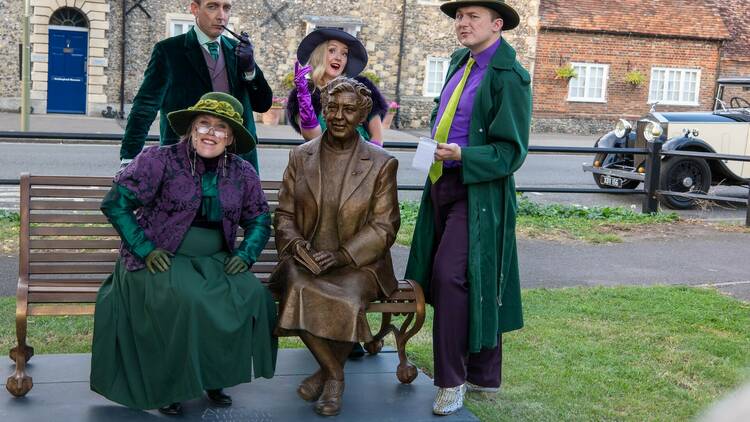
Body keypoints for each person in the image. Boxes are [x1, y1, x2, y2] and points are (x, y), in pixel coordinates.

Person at [91, 92, 278, 416]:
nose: (210, 132)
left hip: (214, 258)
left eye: (221, 127)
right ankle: (169, 386)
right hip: (160, 256)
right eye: (203, 123)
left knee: (252, 295)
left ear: (231, 137)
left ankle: (215, 376)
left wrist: (246, 254)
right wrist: (145, 249)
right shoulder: (159, 160)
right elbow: (115, 204)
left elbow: (259, 219)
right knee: (189, 300)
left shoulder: (241, 172)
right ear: (191, 129)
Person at [403, 0, 531, 416]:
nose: (462, 23)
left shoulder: (510, 76)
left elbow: (510, 153)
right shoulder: (461, 60)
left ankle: (451, 381)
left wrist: (463, 154)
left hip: (478, 193)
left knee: (450, 276)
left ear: (497, 25)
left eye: (472, 16)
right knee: (460, 277)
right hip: (440, 182)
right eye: (459, 16)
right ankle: (483, 373)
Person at [269, 77, 400, 416]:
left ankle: (324, 375)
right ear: (324, 110)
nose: (339, 116)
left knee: (349, 297)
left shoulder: (381, 163)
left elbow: (385, 226)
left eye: (349, 110)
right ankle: (336, 375)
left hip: (359, 263)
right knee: (296, 286)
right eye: (333, 108)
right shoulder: (301, 157)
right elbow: (284, 214)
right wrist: (297, 246)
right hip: (306, 257)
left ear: (362, 115)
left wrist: (342, 255)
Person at [119, 0, 272, 171]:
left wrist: (250, 70)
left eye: (226, 8)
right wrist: (129, 157)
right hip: (184, 163)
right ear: (195, 9)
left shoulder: (238, 50)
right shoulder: (169, 51)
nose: (221, 16)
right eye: (212, 7)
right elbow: (144, 107)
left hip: (237, 162)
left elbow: (263, 104)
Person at [286, 28, 388, 146]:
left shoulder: (362, 88)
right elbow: (313, 137)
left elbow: (377, 137)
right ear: (319, 55)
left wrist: (366, 160)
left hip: (363, 159)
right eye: (332, 50)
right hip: (325, 161)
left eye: (344, 53)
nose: (339, 58)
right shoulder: (306, 94)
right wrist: (304, 97)